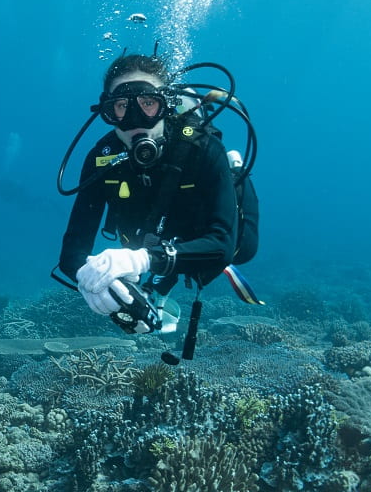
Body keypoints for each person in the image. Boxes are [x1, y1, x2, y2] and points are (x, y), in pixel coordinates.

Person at [56, 52, 256, 337]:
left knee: (244, 250)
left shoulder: (204, 148)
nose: (136, 119)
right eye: (122, 107)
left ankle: (232, 170)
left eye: (148, 104)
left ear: (165, 105)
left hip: (198, 235)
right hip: (148, 236)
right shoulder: (102, 159)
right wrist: (92, 282)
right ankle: (157, 280)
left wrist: (140, 261)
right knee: (139, 248)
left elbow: (222, 246)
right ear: (108, 113)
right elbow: (72, 250)